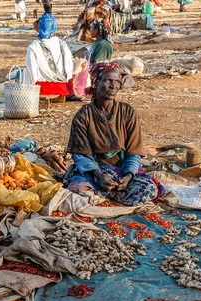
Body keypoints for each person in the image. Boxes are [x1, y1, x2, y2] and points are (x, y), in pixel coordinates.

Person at [62, 62, 164, 206]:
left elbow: (133, 152)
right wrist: (100, 176)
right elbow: (82, 155)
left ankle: (103, 197)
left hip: (121, 171)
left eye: (117, 81)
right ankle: (104, 195)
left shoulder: (127, 112)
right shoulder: (84, 115)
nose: (113, 86)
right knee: (77, 190)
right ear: (96, 83)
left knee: (147, 189)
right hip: (94, 173)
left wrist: (128, 176)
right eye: (108, 81)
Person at [25, 13, 73, 97]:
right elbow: (69, 67)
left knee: (21, 73)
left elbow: (31, 72)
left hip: (42, 89)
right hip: (62, 88)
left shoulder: (34, 46)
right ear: (54, 27)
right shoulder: (62, 44)